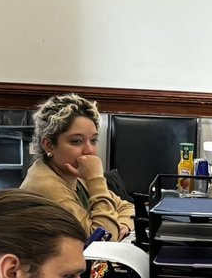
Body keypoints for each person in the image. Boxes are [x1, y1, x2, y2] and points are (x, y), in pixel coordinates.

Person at [21, 93, 135, 242]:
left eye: (93, 140)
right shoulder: (46, 186)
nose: (89, 150)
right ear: (48, 145)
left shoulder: (72, 173)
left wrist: (123, 224)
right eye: (76, 141)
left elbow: (127, 207)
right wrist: (96, 179)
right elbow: (103, 243)